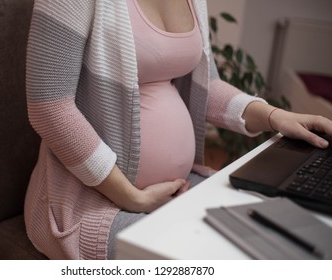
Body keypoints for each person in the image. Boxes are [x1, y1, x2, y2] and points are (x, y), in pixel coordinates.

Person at [24, 0, 332, 260]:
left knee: (271, 242)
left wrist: (274, 116)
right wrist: (133, 198)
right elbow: (49, 109)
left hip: (178, 186)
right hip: (96, 203)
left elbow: (206, 86)